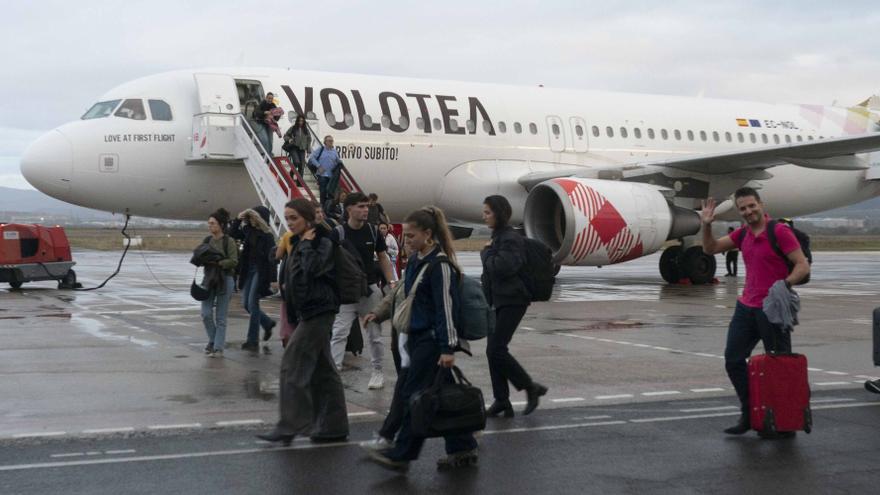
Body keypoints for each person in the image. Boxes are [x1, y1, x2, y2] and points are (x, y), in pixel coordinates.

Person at [365, 206, 478, 472]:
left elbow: (445, 309)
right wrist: (380, 313)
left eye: (411, 235)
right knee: (440, 395)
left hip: (431, 342)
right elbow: (403, 293)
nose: (406, 241)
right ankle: (463, 446)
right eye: (405, 236)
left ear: (428, 234)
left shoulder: (440, 266)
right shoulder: (417, 261)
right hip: (415, 340)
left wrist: (447, 348)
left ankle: (403, 453)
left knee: (414, 396)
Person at [701, 187, 810, 438]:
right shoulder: (743, 234)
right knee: (733, 360)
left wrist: (784, 286)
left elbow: (801, 266)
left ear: (761, 204)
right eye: (743, 209)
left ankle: (783, 420)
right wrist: (706, 225)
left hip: (773, 308)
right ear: (739, 212)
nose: (748, 211)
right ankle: (750, 413)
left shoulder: (779, 232)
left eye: (752, 206)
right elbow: (710, 248)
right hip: (746, 307)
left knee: (779, 366)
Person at [257, 199, 348, 445]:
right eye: (287, 218)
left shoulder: (321, 240)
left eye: (294, 218)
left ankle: (290, 425)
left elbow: (314, 268)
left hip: (320, 310)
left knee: (292, 364)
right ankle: (334, 425)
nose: (289, 223)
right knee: (324, 369)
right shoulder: (299, 241)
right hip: (308, 311)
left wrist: (307, 245)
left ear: (308, 218)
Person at [481, 195, 547, 417]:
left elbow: (502, 268)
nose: (485, 216)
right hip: (498, 300)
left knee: (496, 349)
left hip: (513, 300)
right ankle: (502, 400)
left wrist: (486, 252)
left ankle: (530, 388)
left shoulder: (509, 238)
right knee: (493, 352)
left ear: (499, 213)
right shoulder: (498, 237)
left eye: (488, 212)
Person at [329, 192, 396, 389]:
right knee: (339, 332)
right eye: (360, 206)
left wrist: (391, 282)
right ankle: (334, 371)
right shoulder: (338, 233)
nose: (366, 210)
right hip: (347, 291)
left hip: (370, 289)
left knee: (374, 334)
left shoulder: (373, 231)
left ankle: (377, 371)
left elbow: (383, 257)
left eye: (366, 206)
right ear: (349, 209)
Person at [229, 206, 277, 352]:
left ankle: (252, 340)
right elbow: (232, 234)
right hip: (248, 270)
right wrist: (238, 218)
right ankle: (267, 323)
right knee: (246, 304)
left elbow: (272, 259)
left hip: (260, 271)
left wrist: (273, 279)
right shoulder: (248, 232)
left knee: (252, 303)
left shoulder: (268, 236)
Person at [199, 208, 238, 357]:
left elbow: (234, 261)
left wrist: (218, 263)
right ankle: (214, 340)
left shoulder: (229, 241)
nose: (210, 226)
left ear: (221, 225)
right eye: (209, 223)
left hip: (225, 280)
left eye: (213, 223)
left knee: (221, 317)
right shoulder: (206, 241)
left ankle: (217, 347)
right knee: (205, 313)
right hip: (209, 279)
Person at [308, 135, 341, 210]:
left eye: (332, 141)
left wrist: (340, 163)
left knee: (330, 192)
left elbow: (337, 161)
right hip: (322, 174)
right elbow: (312, 157)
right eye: (329, 141)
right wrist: (318, 166)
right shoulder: (321, 149)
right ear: (325, 142)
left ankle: (328, 207)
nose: (331, 142)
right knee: (323, 191)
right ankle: (322, 206)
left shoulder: (334, 151)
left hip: (331, 175)